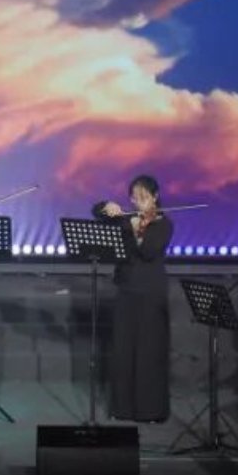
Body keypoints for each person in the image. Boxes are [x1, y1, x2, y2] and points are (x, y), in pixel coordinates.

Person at [91, 174, 173, 422]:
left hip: (151, 294)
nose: (138, 203)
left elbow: (148, 251)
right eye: (134, 198)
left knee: (148, 352)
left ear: (155, 197)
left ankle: (150, 410)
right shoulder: (128, 218)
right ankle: (123, 409)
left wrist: (136, 227)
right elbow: (97, 212)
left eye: (143, 198)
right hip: (126, 290)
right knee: (124, 350)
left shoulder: (163, 224)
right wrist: (107, 206)